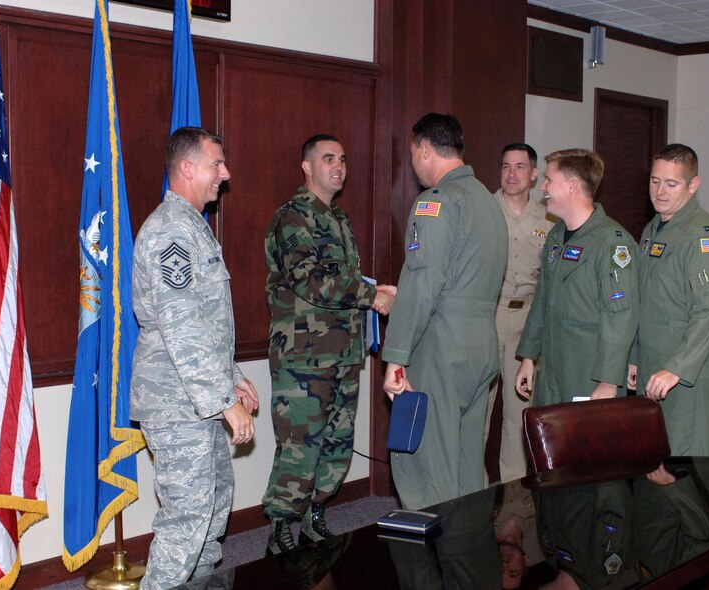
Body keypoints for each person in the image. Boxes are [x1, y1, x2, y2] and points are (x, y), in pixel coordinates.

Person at [130, 126, 260, 590]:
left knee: (210, 515)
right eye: (216, 164)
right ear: (187, 168)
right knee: (186, 521)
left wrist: (233, 380)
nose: (224, 174)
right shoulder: (171, 231)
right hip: (176, 401)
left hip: (199, 396)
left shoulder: (192, 227)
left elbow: (206, 325)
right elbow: (181, 326)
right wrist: (223, 401)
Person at [263, 134, 395, 553]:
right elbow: (311, 282)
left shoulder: (339, 219)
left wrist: (372, 289)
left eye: (342, 159)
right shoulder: (293, 218)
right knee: (300, 445)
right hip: (303, 358)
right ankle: (282, 526)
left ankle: (316, 513)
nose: (337, 166)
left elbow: (345, 280)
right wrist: (372, 295)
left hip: (343, 353)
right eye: (327, 159)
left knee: (336, 442)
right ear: (306, 166)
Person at [382, 112, 508, 510]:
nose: (413, 162)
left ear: (423, 148)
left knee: (429, 462)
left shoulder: (435, 202)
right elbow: (462, 277)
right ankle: (468, 553)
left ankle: (438, 553)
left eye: (412, 153)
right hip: (482, 346)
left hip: (441, 350)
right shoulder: (488, 201)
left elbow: (423, 285)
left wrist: (396, 357)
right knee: (467, 459)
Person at [628, 143, 709, 455]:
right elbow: (645, 301)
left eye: (671, 183)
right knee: (655, 469)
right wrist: (634, 356)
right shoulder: (654, 228)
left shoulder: (704, 237)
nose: (659, 191)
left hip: (689, 376)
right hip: (655, 367)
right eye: (654, 180)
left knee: (686, 479)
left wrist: (677, 368)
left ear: (693, 184)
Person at [514, 149, 638, 407]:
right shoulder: (556, 236)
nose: (542, 188)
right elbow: (542, 301)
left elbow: (620, 317)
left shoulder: (612, 243)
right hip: (551, 368)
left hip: (589, 373)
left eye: (548, 180)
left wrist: (608, 380)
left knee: (588, 446)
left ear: (572, 186)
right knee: (550, 443)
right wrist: (528, 356)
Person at [484, 143, 556, 484]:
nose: (511, 174)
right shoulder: (482, 209)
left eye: (520, 167)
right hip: (486, 317)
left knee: (519, 412)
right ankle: (471, 491)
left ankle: (514, 492)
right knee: (477, 412)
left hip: (525, 322)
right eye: (506, 166)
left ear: (534, 174)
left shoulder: (549, 219)